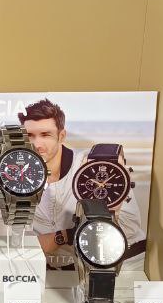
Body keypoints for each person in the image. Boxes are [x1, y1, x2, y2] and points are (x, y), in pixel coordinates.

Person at [15, 98, 144, 262]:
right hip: (64, 270)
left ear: (61, 136)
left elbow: (129, 225)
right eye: (29, 136)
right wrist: (66, 235)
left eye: (45, 135)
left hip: (127, 262)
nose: (37, 144)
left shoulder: (93, 166)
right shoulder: (15, 177)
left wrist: (67, 236)